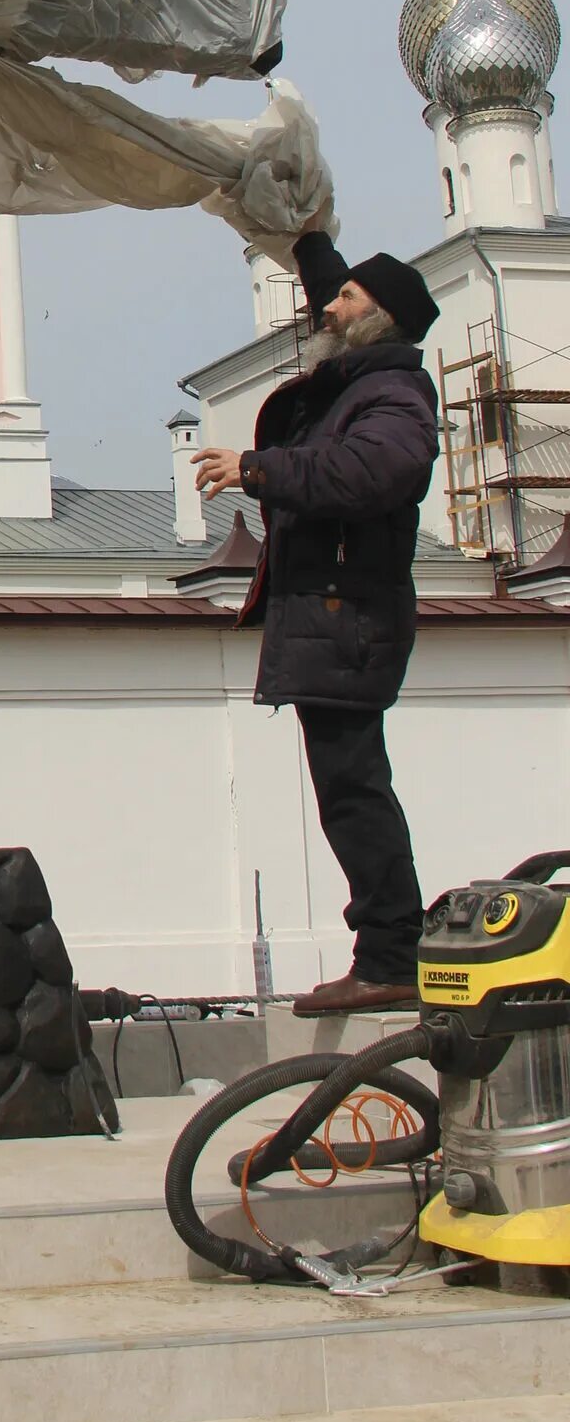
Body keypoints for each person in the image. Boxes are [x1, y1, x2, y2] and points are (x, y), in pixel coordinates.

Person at [196, 230, 439, 1016]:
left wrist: (257, 469)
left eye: (346, 301)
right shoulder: (358, 377)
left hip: (349, 619)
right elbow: (336, 293)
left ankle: (392, 954)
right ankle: (386, 949)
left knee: (355, 791)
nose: (328, 309)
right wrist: (303, 235)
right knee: (348, 789)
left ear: (380, 319)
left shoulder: (394, 398)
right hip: (334, 616)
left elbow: (373, 472)